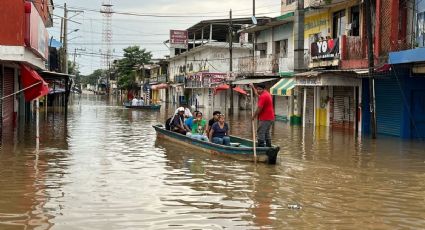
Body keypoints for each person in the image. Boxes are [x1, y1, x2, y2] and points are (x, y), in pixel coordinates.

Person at [250, 83, 275, 147]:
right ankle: (269, 147)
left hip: (265, 118)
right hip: (270, 118)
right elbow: (257, 95)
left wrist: (253, 116)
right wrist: (253, 87)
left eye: (260, 89)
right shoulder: (265, 93)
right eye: (257, 89)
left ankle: (261, 146)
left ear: (264, 89)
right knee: (266, 132)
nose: (258, 91)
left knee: (260, 132)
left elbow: (259, 108)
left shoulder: (263, 96)